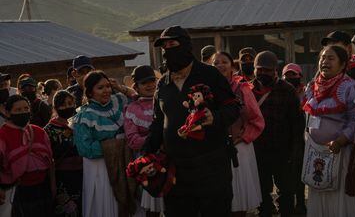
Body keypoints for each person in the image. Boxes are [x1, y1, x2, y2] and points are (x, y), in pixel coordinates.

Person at [141, 26, 240, 216]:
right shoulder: (163, 84)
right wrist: (146, 153)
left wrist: (216, 117)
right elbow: (157, 123)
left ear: (186, 46)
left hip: (211, 166)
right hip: (176, 170)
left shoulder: (210, 75)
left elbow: (233, 107)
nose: (168, 49)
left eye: (172, 44)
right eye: (164, 46)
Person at [302, 45, 355, 217]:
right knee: (319, 191)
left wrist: (341, 141)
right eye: (322, 58)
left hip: (340, 153)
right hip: (316, 154)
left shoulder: (349, 88)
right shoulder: (313, 86)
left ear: (343, 65)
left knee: (338, 197)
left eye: (330, 58)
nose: (324, 62)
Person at [71, 70, 135, 217]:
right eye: (100, 88)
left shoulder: (119, 100)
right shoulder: (84, 116)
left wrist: (121, 88)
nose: (106, 90)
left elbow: (138, 98)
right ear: (90, 92)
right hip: (101, 168)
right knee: (107, 204)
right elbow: (85, 148)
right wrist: (114, 145)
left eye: (107, 86)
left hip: (125, 161)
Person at [213, 51, 264, 217]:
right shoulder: (205, 89)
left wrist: (242, 137)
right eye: (216, 63)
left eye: (224, 62)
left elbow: (257, 120)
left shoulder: (242, 89)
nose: (220, 65)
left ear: (232, 66)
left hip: (239, 148)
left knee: (238, 198)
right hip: (215, 149)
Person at [252, 51, 303, 217]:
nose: (262, 73)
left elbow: (297, 124)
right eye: (259, 69)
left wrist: (295, 151)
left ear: (275, 70)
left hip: (282, 151)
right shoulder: (248, 90)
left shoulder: (287, 90)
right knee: (261, 192)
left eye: (267, 70)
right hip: (257, 151)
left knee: (286, 192)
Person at [0, 95, 54, 217]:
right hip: (18, 190)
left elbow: (50, 161)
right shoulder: (3, 135)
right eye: (18, 110)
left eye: (26, 109)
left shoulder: (39, 131)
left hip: (43, 188)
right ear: (8, 113)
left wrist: (53, 185)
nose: (23, 112)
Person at [124, 65, 163, 217]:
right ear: (136, 87)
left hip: (169, 158)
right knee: (151, 209)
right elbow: (133, 140)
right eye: (144, 82)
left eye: (152, 80)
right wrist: (155, 140)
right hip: (147, 162)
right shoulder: (132, 108)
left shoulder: (164, 101)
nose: (150, 85)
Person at [44, 90, 82, 217]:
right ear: (55, 108)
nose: (67, 107)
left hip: (82, 173)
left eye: (70, 103)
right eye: (63, 104)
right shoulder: (49, 130)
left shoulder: (80, 124)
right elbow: (49, 157)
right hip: (62, 177)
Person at [281, 63, 306, 215]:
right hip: (285, 138)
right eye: (288, 75)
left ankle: (301, 203)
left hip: (302, 138)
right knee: (286, 176)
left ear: (300, 76)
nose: (291, 78)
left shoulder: (307, 92)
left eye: (294, 75)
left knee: (300, 174)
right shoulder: (280, 92)